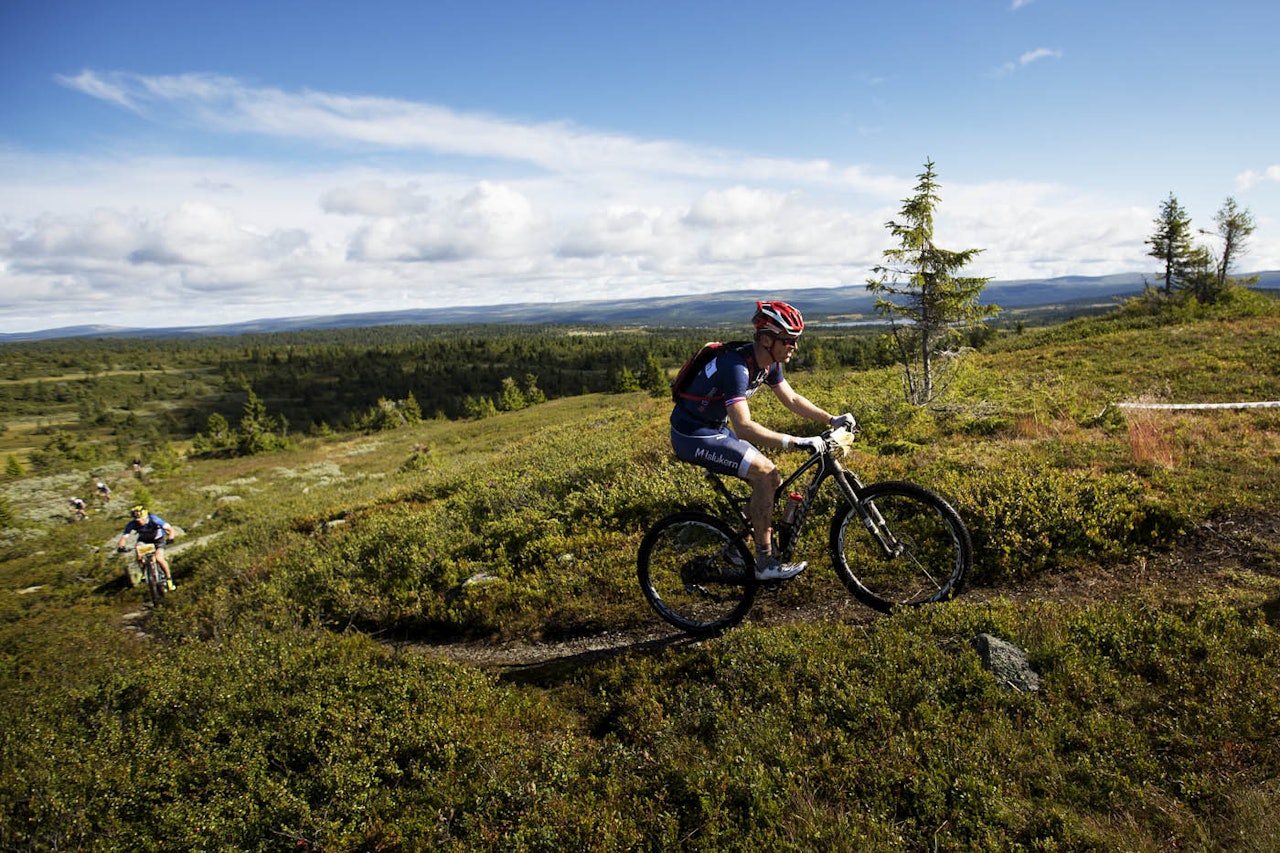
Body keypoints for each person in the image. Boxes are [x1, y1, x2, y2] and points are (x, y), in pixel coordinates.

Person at [670, 300, 856, 580]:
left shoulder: (769, 362)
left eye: (796, 340)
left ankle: (737, 551)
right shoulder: (736, 366)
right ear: (767, 339)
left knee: (771, 482)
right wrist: (796, 441)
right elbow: (743, 427)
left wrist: (831, 419)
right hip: (692, 435)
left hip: (713, 428)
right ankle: (765, 563)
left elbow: (792, 399)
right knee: (766, 474)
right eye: (789, 341)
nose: (794, 346)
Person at [117, 505, 176, 590]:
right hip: (144, 540)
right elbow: (124, 537)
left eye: (142, 519)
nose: (140, 522)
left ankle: (169, 579)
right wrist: (121, 546)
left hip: (158, 540)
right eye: (137, 520)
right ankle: (145, 573)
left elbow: (170, 529)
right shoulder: (132, 524)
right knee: (139, 552)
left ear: (146, 516)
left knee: (159, 558)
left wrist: (171, 538)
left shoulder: (154, 519)